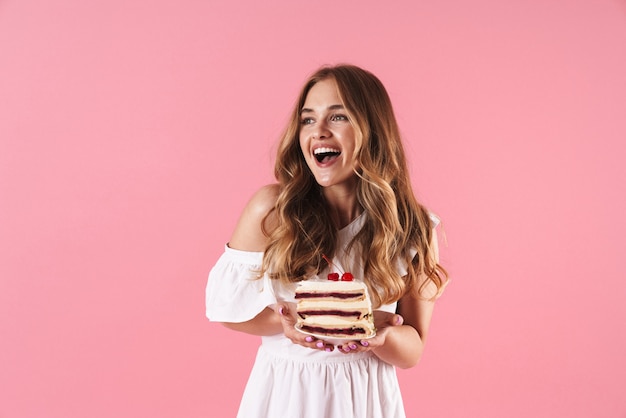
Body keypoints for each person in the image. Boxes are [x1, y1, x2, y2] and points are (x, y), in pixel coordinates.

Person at [205, 64, 448, 418]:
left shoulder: (412, 227)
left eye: (338, 117)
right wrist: (287, 321)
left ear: (373, 130)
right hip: (287, 394)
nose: (318, 131)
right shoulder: (273, 209)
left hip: (366, 398)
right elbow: (225, 309)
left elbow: (413, 350)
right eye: (307, 120)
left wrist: (382, 336)